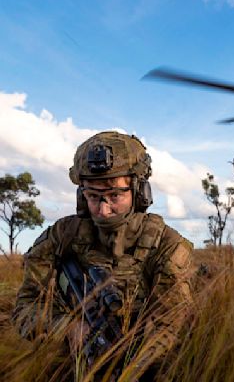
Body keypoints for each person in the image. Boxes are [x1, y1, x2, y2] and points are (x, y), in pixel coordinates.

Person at [12, 131, 194, 380]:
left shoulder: (167, 246)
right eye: (93, 196)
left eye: (115, 196)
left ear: (139, 191)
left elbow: (172, 328)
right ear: (81, 195)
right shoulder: (62, 237)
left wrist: (130, 372)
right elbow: (25, 306)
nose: (103, 209)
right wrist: (67, 328)